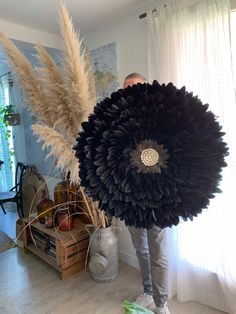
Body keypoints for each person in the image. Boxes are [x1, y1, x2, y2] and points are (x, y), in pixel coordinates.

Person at [123, 73, 170, 314]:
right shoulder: (119, 119)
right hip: (130, 196)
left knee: (158, 249)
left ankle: (162, 304)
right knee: (140, 248)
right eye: (128, 87)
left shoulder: (159, 116)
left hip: (156, 196)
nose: (132, 90)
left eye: (136, 86)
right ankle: (148, 292)